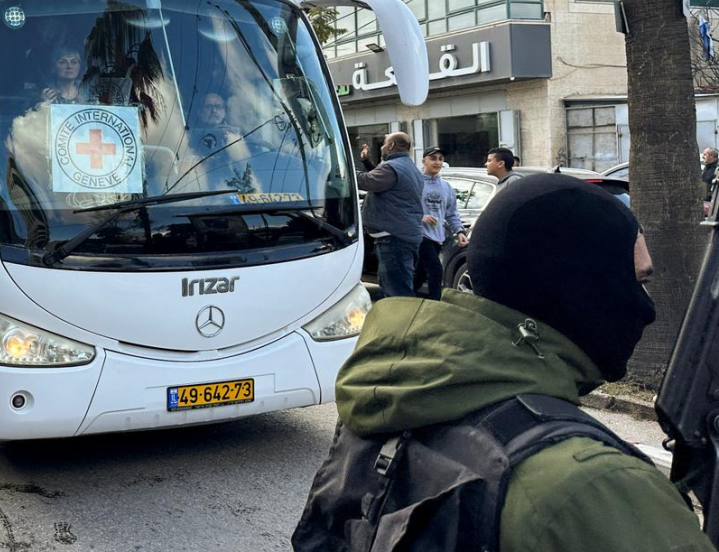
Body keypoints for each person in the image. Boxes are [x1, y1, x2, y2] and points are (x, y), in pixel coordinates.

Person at [291, 174, 715, 552]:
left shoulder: (397, 393)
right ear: (578, 288)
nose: (648, 308)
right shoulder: (597, 485)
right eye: (637, 280)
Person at [358, 133, 425, 298]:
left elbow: (366, 182)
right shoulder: (406, 166)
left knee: (398, 294)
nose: (381, 147)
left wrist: (341, 168)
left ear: (391, 146)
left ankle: (403, 323)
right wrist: (366, 162)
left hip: (394, 239)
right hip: (401, 236)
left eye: (384, 143)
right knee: (395, 288)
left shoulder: (392, 167)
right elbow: (382, 180)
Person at [413, 147, 468, 300]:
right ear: (424, 161)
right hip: (419, 235)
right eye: (433, 158)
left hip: (438, 236)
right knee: (436, 269)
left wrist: (460, 232)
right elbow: (404, 207)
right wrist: (420, 216)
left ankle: (404, 298)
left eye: (440, 159)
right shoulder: (415, 183)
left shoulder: (446, 187)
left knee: (420, 273)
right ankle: (436, 304)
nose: (437, 162)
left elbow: (451, 213)